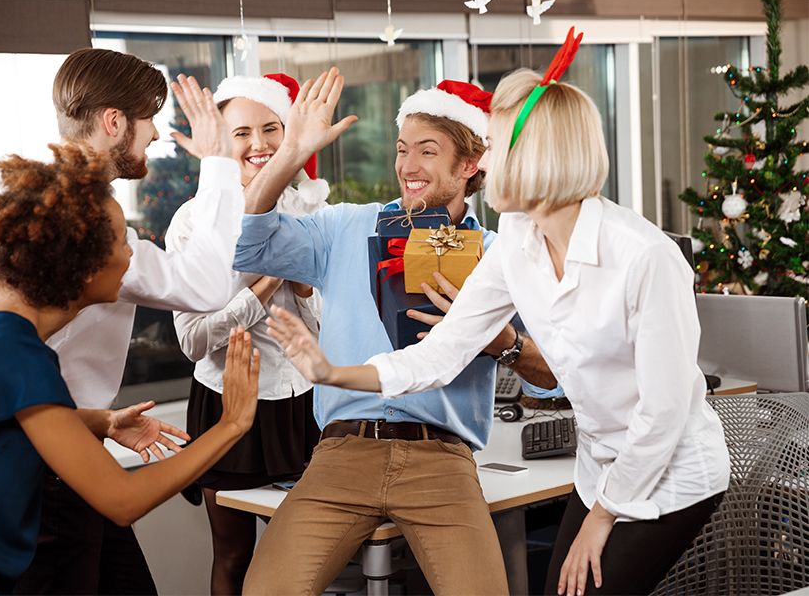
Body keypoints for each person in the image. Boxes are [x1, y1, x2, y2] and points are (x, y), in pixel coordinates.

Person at [266, 35, 731, 596]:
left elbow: (664, 412)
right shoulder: (516, 238)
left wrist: (602, 519)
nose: (480, 164)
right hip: (601, 463)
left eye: (493, 145)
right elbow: (443, 351)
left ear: (539, 156)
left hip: (673, 471)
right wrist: (333, 373)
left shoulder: (645, 258)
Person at [0, 49, 347, 595]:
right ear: (114, 121)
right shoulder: (82, 231)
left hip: (69, 437)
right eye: (149, 120)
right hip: (37, 469)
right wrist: (214, 161)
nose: (156, 134)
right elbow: (206, 288)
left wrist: (98, 421)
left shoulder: (29, 207)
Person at [233, 69, 559, 594]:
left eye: (427, 152)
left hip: (443, 461)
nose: (408, 166)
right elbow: (252, 245)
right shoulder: (344, 226)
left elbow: (553, 377)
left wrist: (501, 342)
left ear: (470, 164)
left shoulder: (502, 255)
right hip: (341, 454)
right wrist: (291, 150)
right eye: (402, 149)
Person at [0, 144, 261, 595]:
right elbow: (122, 499)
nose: (132, 256)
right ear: (78, 263)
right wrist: (232, 424)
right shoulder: (17, 356)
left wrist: (98, 422)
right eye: (120, 242)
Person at [165, 73, 327, 595]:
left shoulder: (315, 215)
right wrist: (263, 288)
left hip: (302, 405)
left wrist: (303, 287)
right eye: (241, 133)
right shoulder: (193, 222)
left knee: (300, 565)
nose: (258, 145)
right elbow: (192, 342)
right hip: (224, 401)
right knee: (234, 557)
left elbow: (333, 328)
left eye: (271, 129)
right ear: (220, 141)